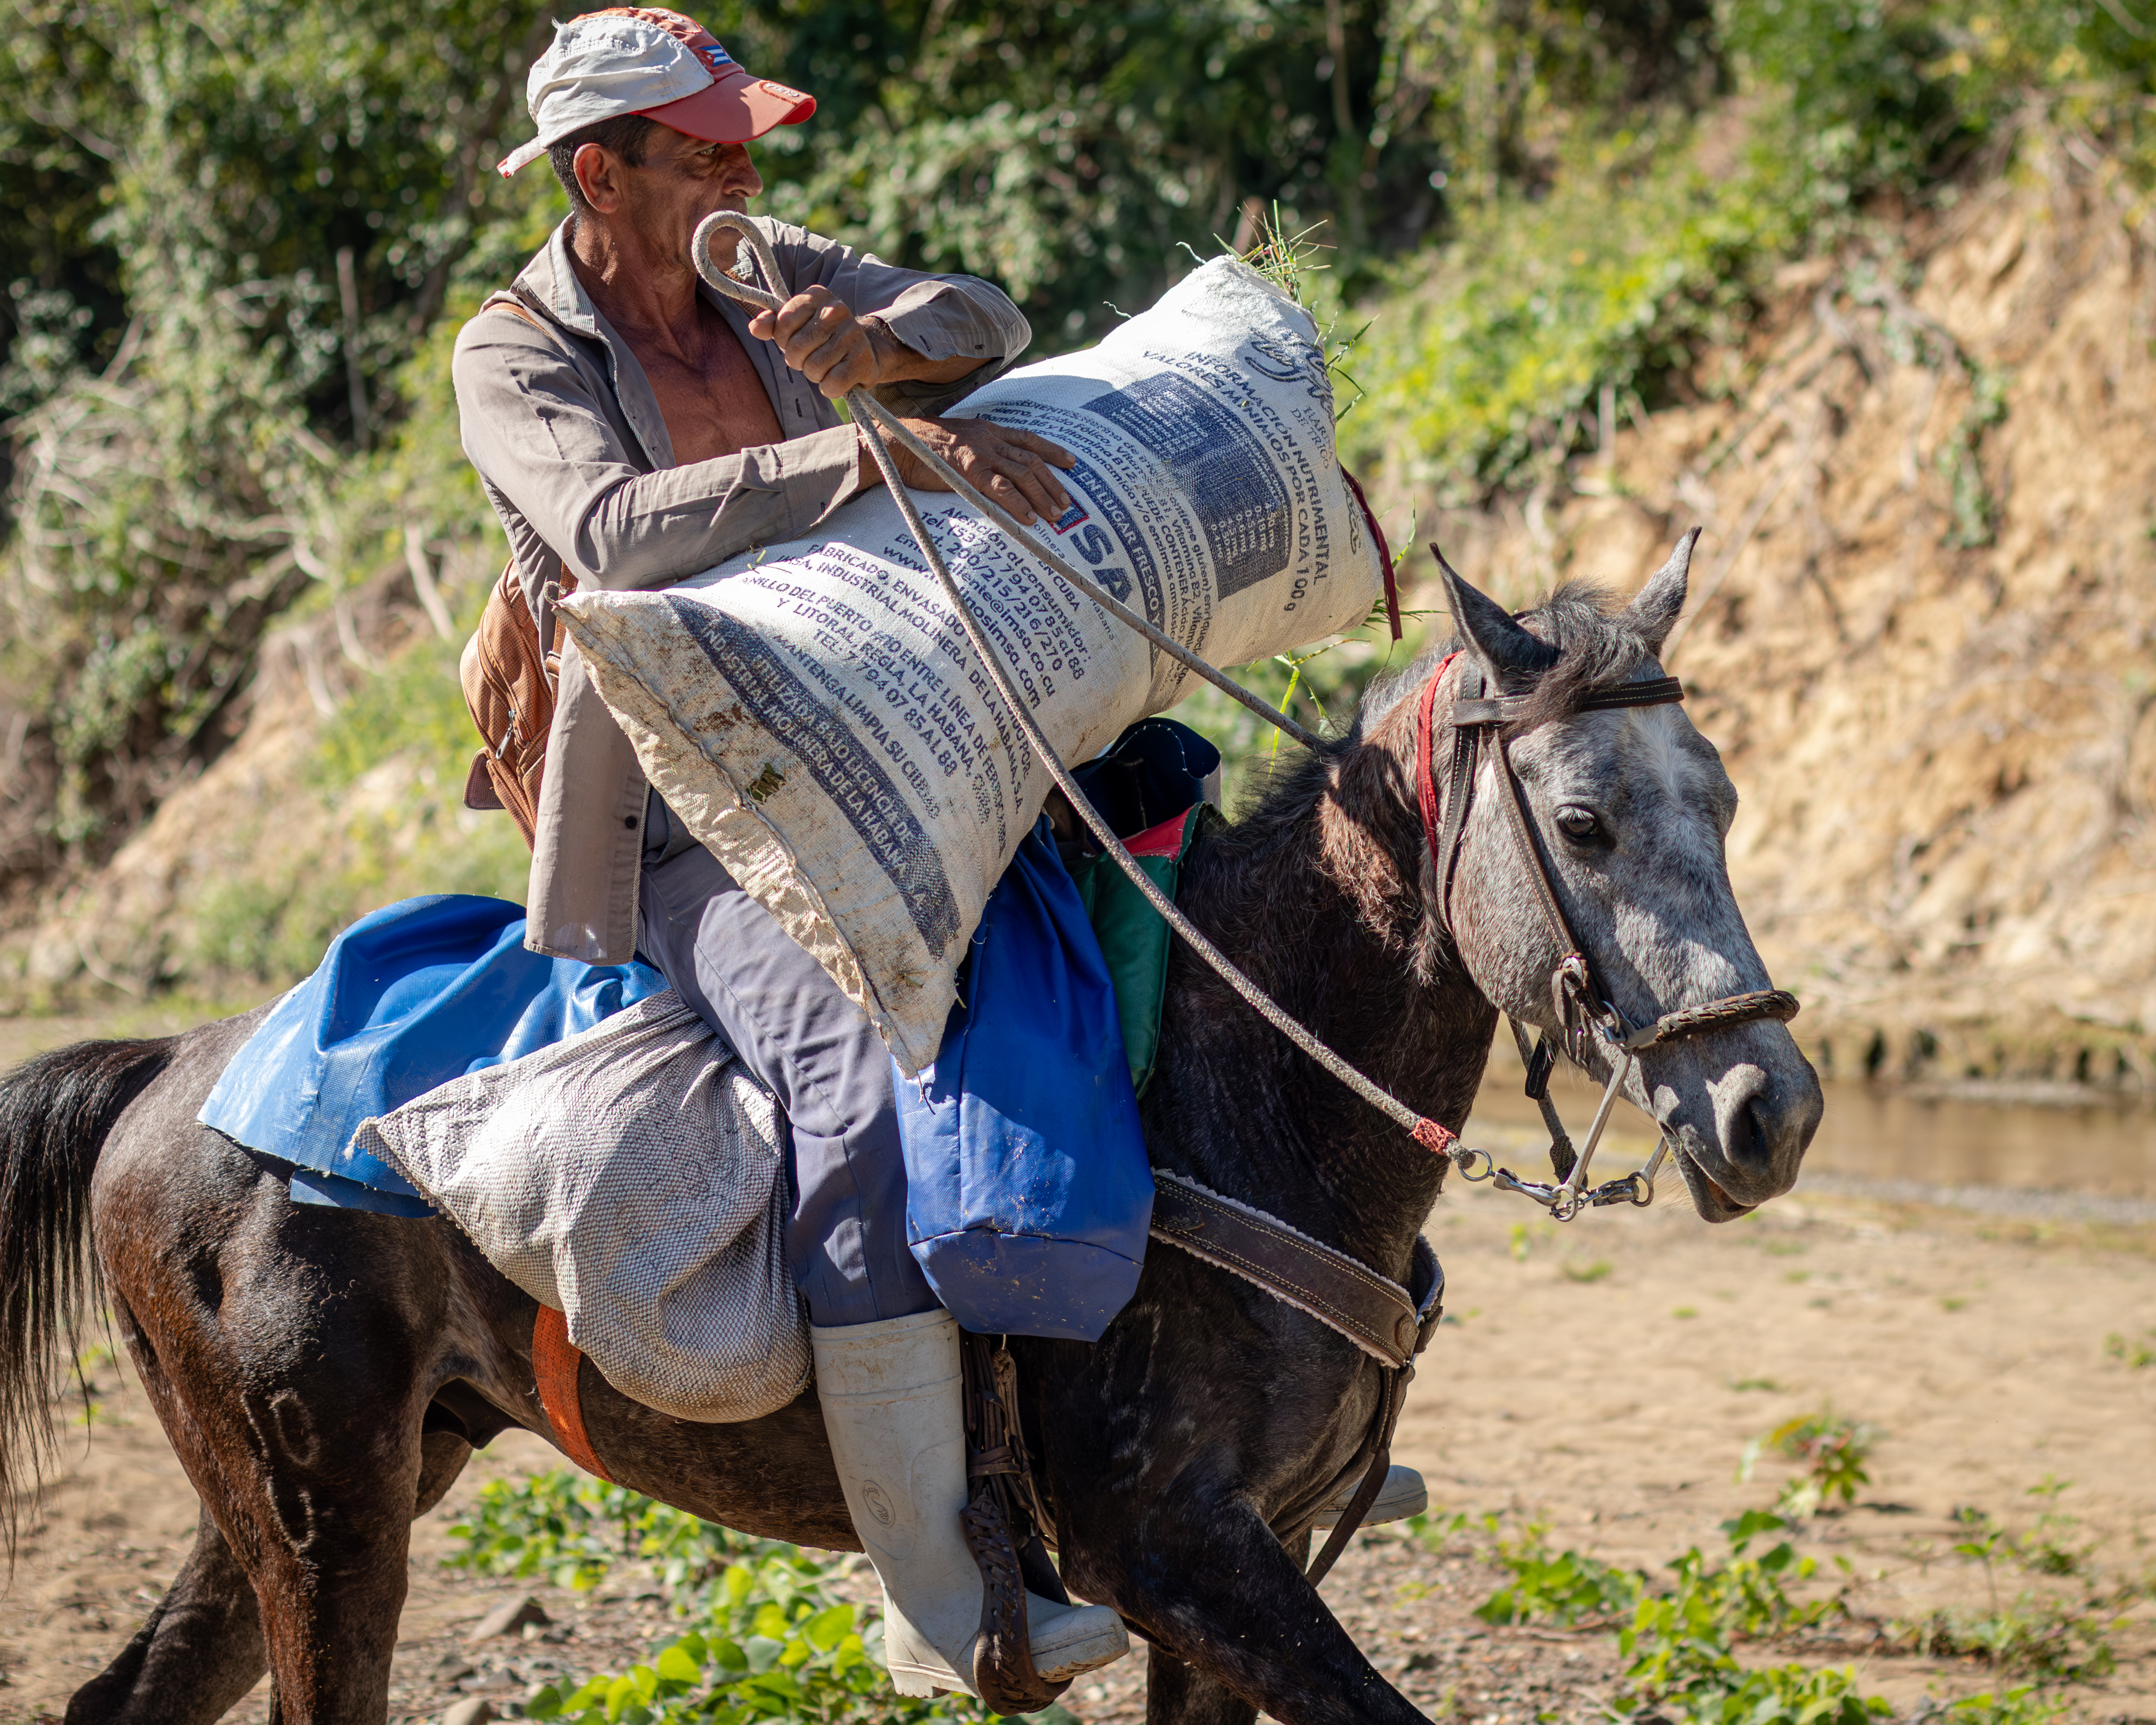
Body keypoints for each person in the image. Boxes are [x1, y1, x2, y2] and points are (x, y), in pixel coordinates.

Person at [454, 7, 1127, 1697]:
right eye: (710, 151)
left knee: (1169, 888)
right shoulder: (510, 352)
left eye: (751, 149)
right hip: (686, 793)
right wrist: (865, 441)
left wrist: (884, 338)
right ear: (599, 173)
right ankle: (938, 1594)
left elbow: (991, 321)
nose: (747, 176)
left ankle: (1234, 1417)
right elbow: (607, 530)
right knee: (849, 1070)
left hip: (884, 716)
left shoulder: (755, 254)